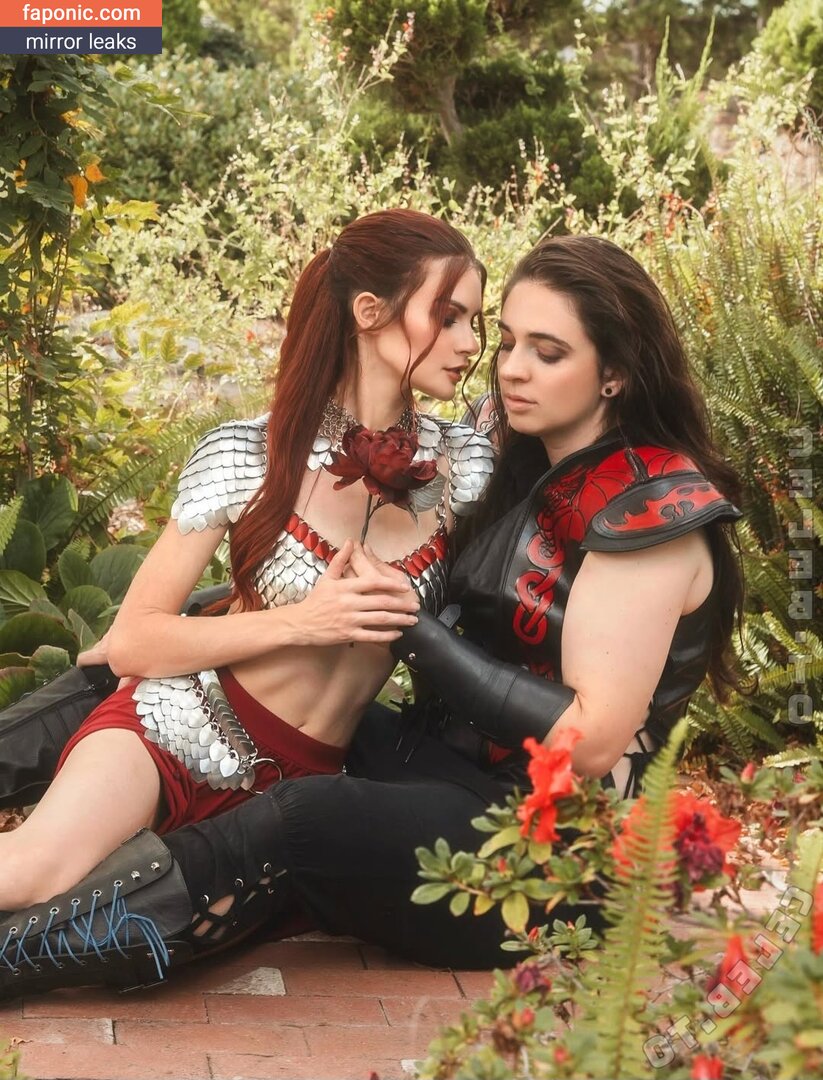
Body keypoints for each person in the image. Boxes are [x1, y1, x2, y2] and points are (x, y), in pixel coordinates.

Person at [0, 234, 744, 996]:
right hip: (442, 767)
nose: (506, 366)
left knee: (300, 817)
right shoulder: (514, 449)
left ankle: (12, 957)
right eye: (505, 340)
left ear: (614, 372)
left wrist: (410, 627)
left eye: (545, 352)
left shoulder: (648, 513)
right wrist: (187, 628)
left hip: (548, 848)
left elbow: (588, 741)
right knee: (175, 680)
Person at [0, 208, 493, 922]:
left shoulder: (464, 468)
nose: (469, 342)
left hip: (295, 798)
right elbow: (135, 639)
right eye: (447, 318)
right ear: (369, 312)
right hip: (176, 728)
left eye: (475, 321)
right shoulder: (248, 455)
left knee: (103, 938)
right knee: (30, 876)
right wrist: (304, 622)